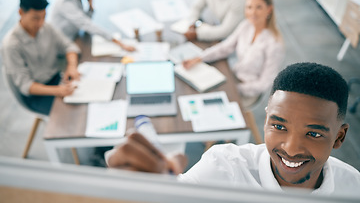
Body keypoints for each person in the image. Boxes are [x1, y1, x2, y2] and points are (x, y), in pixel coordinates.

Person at [106, 62, 360, 195]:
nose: (291, 148)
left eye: (313, 133)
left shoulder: (353, 187)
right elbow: (176, 192)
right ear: (266, 120)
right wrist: (150, 186)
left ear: (339, 137)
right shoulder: (224, 166)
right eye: (279, 126)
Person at [184, 0, 284, 108]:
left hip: (248, 91)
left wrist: (235, 88)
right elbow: (225, 47)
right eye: (249, 7)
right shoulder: (246, 25)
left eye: (259, 7)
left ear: (269, 9)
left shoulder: (275, 44)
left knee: (213, 106)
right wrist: (199, 58)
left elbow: (264, 83)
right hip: (234, 77)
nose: (253, 12)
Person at [1, 0, 81, 115]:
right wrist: (58, 91)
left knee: (82, 104)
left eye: (44, 17)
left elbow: (69, 46)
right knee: (72, 114)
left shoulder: (46, 27)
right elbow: (26, 86)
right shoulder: (11, 45)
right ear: (21, 12)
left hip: (56, 81)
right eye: (35, 18)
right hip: (37, 95)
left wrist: (71, 67)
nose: (40, 23)